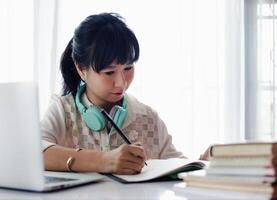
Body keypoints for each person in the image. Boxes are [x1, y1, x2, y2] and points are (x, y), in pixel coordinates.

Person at [41, 12, 209, 175]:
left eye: (128, 68)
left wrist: (204, 165)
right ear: (81, 69)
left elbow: (177, 167)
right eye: (109, 72)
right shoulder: (62, 111)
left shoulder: (148, 117)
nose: (121, 82)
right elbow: (33, 152)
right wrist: (104, 161)